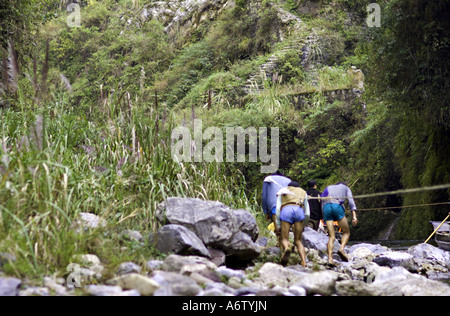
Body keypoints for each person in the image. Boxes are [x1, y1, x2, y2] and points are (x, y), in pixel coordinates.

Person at [321, 182, 358, 265]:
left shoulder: (328, 186)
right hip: (337, 206)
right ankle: (341, 249)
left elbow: (322, 200)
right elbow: (351, 201)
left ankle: (330, 258)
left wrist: (323, 215)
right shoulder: (346, 188)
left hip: (326, 208)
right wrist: (354, 217)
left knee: (331, 236)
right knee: (346, 232)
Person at [275, 181, 310, 267]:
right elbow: (307, 213)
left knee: (284, 238)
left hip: (286, 210)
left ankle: (287, 249)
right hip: (299, 210)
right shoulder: (303, 192)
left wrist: (278, 224)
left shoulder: (283, 191)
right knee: (298, 241)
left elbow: (278, 209)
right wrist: (303, 224)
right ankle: (303, 262)